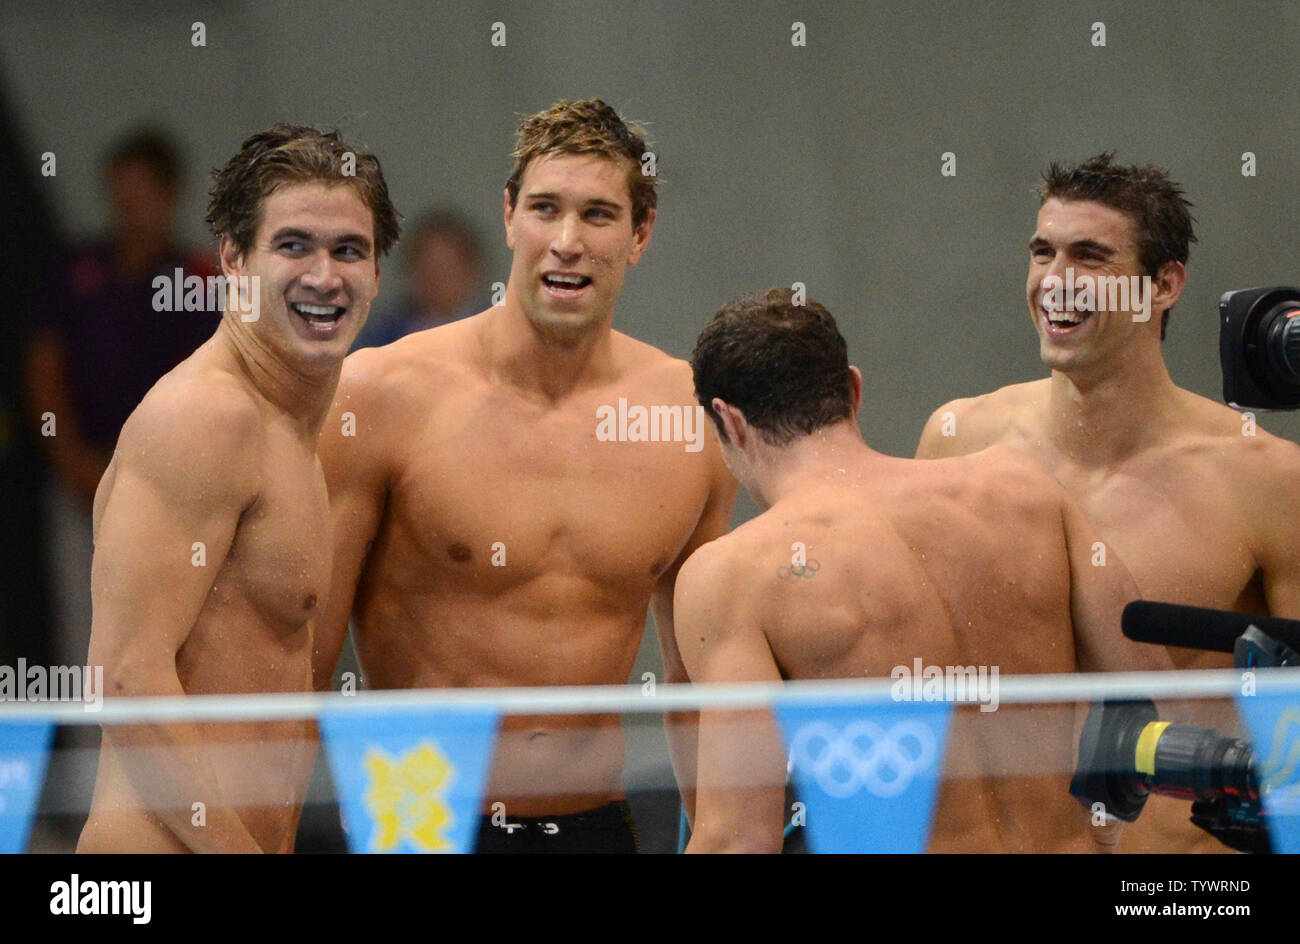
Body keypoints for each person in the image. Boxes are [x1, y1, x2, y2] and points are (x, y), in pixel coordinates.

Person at [314, 99, 736, 853]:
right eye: (546, 208)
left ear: (640, 235)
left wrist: (719, 838)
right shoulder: (380, 395)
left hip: (595, 825)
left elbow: (699, 682)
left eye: (599, 215)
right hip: (419, 820)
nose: (567, 242)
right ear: (510, 217)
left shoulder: (689, 415)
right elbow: (302, 659)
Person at [676, 288, 1170, 853]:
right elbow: (1156, 698)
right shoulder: (1022, 487)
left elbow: (739, 838)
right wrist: (1100, 835)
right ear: (854, 391)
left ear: (729, 422)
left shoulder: (732, 574)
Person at [915, 153, 1300, 852]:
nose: (1055, 282)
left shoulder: (1267, 481)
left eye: (1090, 257)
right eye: (1043, 253)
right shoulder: (956, 439)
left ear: (1164, 286)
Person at [77, 125, 398, 853]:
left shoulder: (289, 430)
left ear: (378, 272)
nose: (325, 275)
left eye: (349, 250)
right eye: (293, 246)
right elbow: (126, 676)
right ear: (232, 258)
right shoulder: (206, 416)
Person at [25, 129, 220, 671]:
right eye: (120, 194)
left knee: (172, 625)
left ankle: (172, 749)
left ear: (169, 195)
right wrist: (74, 464)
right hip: (80, 478)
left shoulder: (199, 278)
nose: (129, 208)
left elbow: (208, 386)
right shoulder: (73, 273)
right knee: (83, 631)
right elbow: (44, 372)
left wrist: (152, 472)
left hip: (170, 484)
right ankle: (89, 755)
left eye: (142, 195)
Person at [354, 210, 486, 347]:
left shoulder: (494, 328)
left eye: (448, 269)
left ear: (470, 270)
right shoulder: (384, 334)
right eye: (430, 270)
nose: (439, 281)